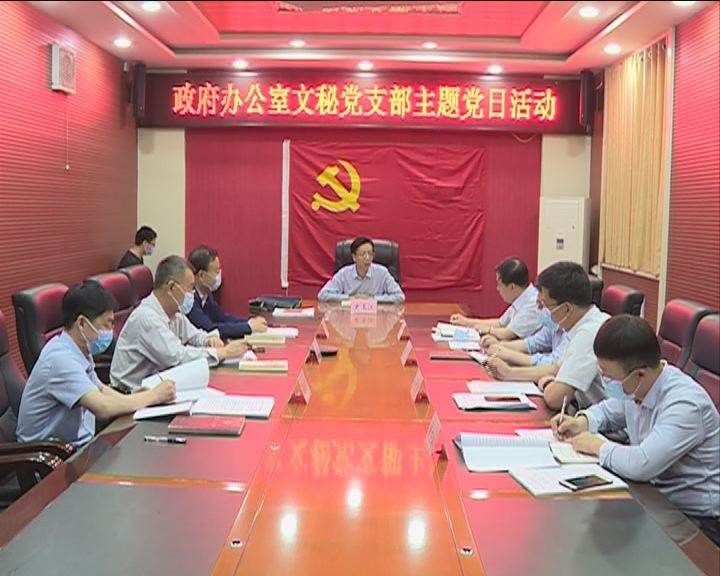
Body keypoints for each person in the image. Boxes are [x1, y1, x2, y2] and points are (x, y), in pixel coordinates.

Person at [552, 315, 720, 546]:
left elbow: (641, 464)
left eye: (609, 376)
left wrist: (597, 445)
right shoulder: (639, 386)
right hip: (653, 498)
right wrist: (583, 420)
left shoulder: (685, 404)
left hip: (696, 521)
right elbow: (610, 410)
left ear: (639, 374)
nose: (605, 381)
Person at [17, 281, 176, 448]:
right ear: (82, 323)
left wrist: (135, 397)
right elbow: (103, 407)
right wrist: (154, 396)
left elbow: (100, 389)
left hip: (78, 444)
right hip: (51, 455)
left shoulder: (79, 349)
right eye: (106, 323)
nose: (110, 330)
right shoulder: (60, 359)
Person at [110, 255, 248, 391]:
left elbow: (194, 336)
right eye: (190, 288)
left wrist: (209, 340)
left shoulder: (175, 313)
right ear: (171, 287)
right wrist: (222, 352)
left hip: (155, 387)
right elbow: (178, 358)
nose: (192, 294)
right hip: (129, 395)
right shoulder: (147, 318)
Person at [527, 261, 609, 410]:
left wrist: (546, 382)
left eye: (546, 305)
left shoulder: (589, 333)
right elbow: (555, 369)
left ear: (566, 308)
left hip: (605, 422)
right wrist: (508, 373)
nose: (542, 310)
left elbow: (556, 398)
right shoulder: (577, 325)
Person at [187, 245, 267, 339]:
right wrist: (248, 327)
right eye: (216, 272)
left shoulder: (206, 295)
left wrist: (250, 322)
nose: (219, 276)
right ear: (201, 275)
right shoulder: (189, 300)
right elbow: (209, 328)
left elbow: (223, 318)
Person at [450, 257, 540, 340]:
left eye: (499, 284)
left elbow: (507, 334)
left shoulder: (533, 303)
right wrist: (466, 322)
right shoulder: (522, 297)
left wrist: (488, 330)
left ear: (512, 286)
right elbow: (500, 323)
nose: (497, 289)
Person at [318, 237, 405, 303]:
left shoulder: (382, 273)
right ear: (354, 257)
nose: (367, 257)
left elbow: (399, 296)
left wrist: (373, 299)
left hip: (376, 316)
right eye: (363, 254)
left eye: (370, 254)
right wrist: (350, 298)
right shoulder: (344, 273)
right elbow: (323, 295)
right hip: (348, 316)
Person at [483, 319, 568, 382]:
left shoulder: (574, 334)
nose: (539, 308)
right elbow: (533, 343)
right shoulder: (554, 323)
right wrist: (500, 345)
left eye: (544, 305)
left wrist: (510, 368)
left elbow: (554, 366)